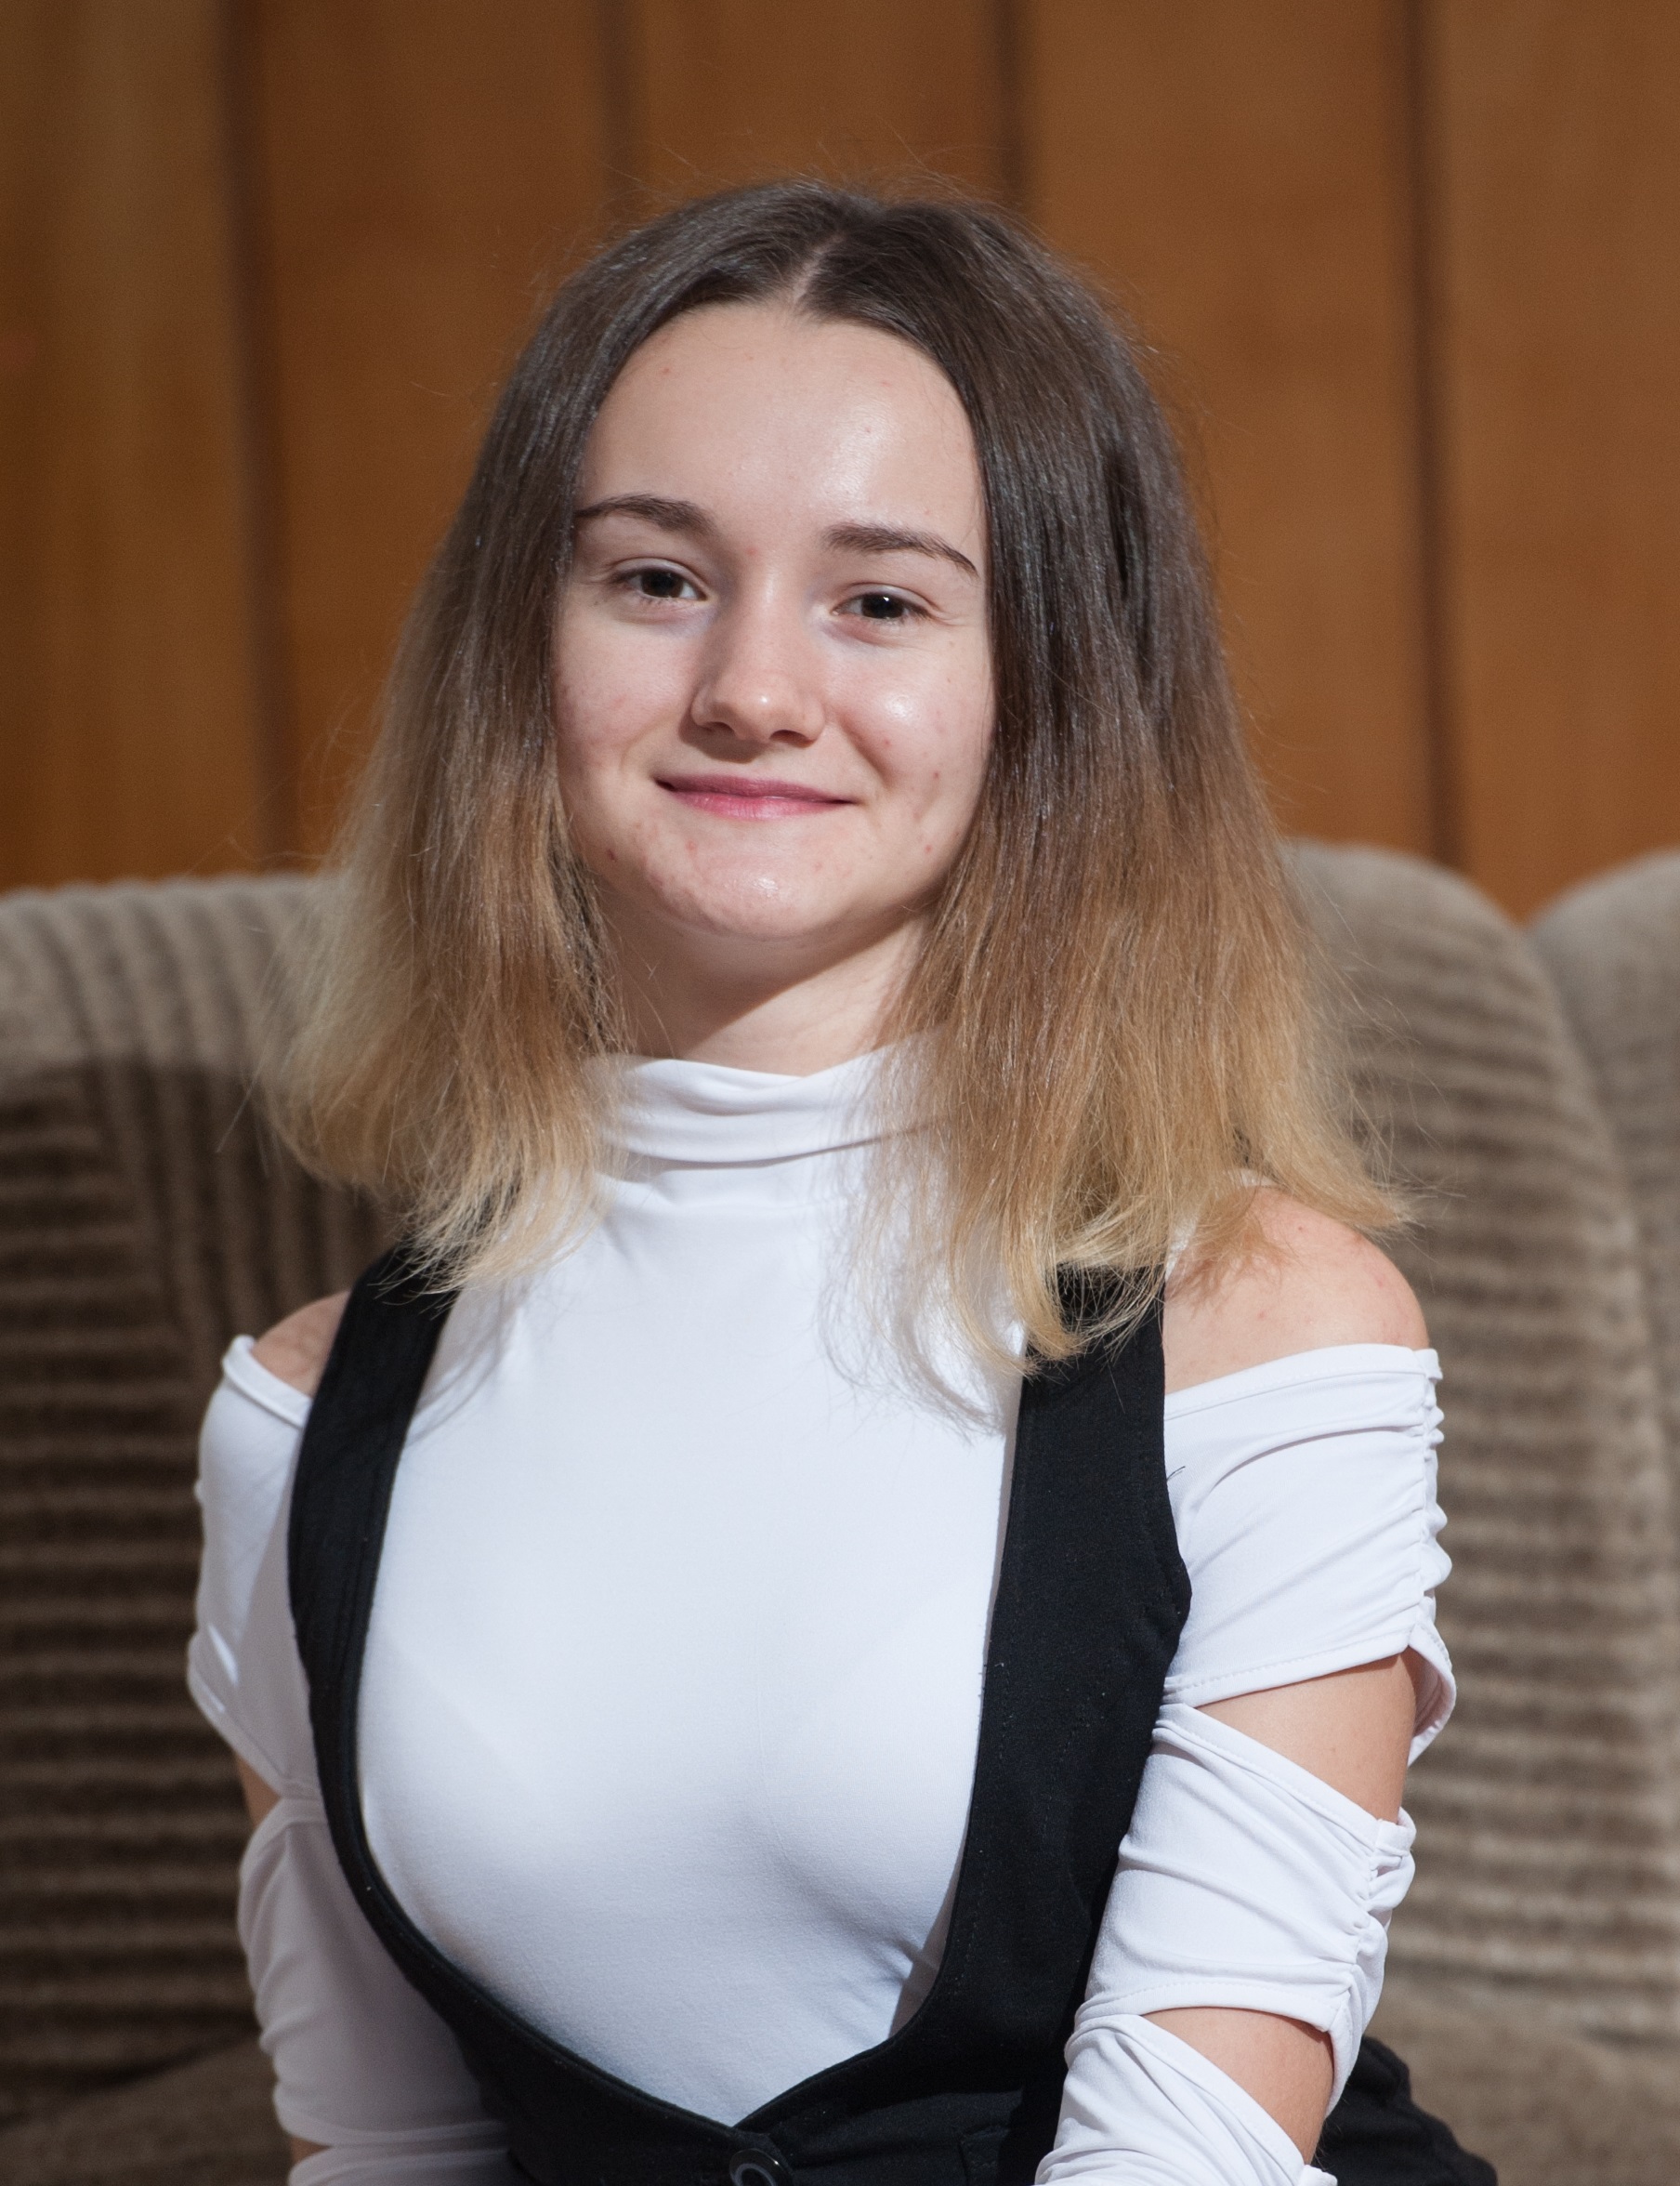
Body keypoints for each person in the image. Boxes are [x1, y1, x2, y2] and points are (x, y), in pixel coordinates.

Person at [189, 182, 1493, 2186]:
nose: (751, 689)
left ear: (1051, 688)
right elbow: (385, 2156)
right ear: (518, 649)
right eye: (654, 579)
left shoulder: (1267, 1338)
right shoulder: (300, 1427)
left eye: (879, 602)